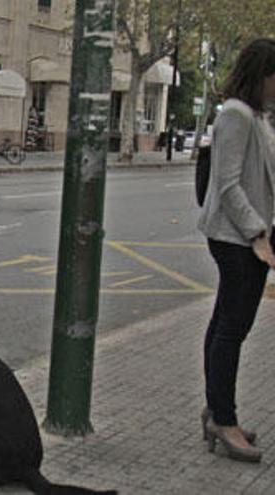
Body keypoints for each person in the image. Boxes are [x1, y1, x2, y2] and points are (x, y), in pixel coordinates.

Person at [197, 38, 275, 463]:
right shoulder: (236, 116)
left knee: (228, 325)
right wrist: (258, 235)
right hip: (237, 239)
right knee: (231, 330)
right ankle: (223, 420)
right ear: (262, 75)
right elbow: (227, 186)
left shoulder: (257, 117)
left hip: (248, 237)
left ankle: (217, 409)